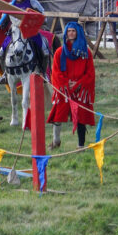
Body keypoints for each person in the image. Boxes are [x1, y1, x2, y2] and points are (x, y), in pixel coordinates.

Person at [47, 21, 95, 149]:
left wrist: (78, 84)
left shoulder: (86, 53)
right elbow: (56, 72)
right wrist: (67, 83)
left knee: (81, 118)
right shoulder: (59, 52)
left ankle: (81, 146)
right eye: (69, 31)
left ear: (78, 32)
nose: (71, 33)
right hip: (65, 90)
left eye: (73, 31)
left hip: (80, 90)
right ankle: (56, 141)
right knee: (58, 115)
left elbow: (90, 73)